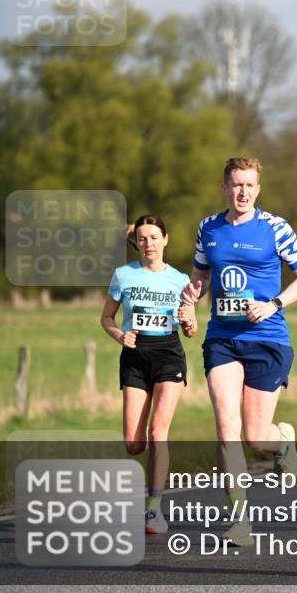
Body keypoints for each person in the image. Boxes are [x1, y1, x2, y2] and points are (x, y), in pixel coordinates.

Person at [179, 157, 297, 547]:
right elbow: (201, 276)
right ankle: (240, 519)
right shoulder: (209, 228)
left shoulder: (276, 228)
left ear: (258, 188)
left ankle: (282, 439)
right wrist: (191, 295)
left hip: (267, 337)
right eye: (237, 185)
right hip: (222, 336)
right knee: (227, 428)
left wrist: (273, 303)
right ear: (224, 187)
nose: (243, 192)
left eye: (250, 186)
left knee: (257, 437)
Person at [101, 215, 196, 535]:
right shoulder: (123, 275)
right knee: (133, 444)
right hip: (134, 358)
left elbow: (192, 329)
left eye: (154, 237)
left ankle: (153, 510)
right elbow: (107, 318)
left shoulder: (180, 279)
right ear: (136, 242)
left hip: (169, 354)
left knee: (158, 433)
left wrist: (188, 322)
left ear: (165, 239)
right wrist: (119, 336)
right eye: (143, 239)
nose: (149, 244)